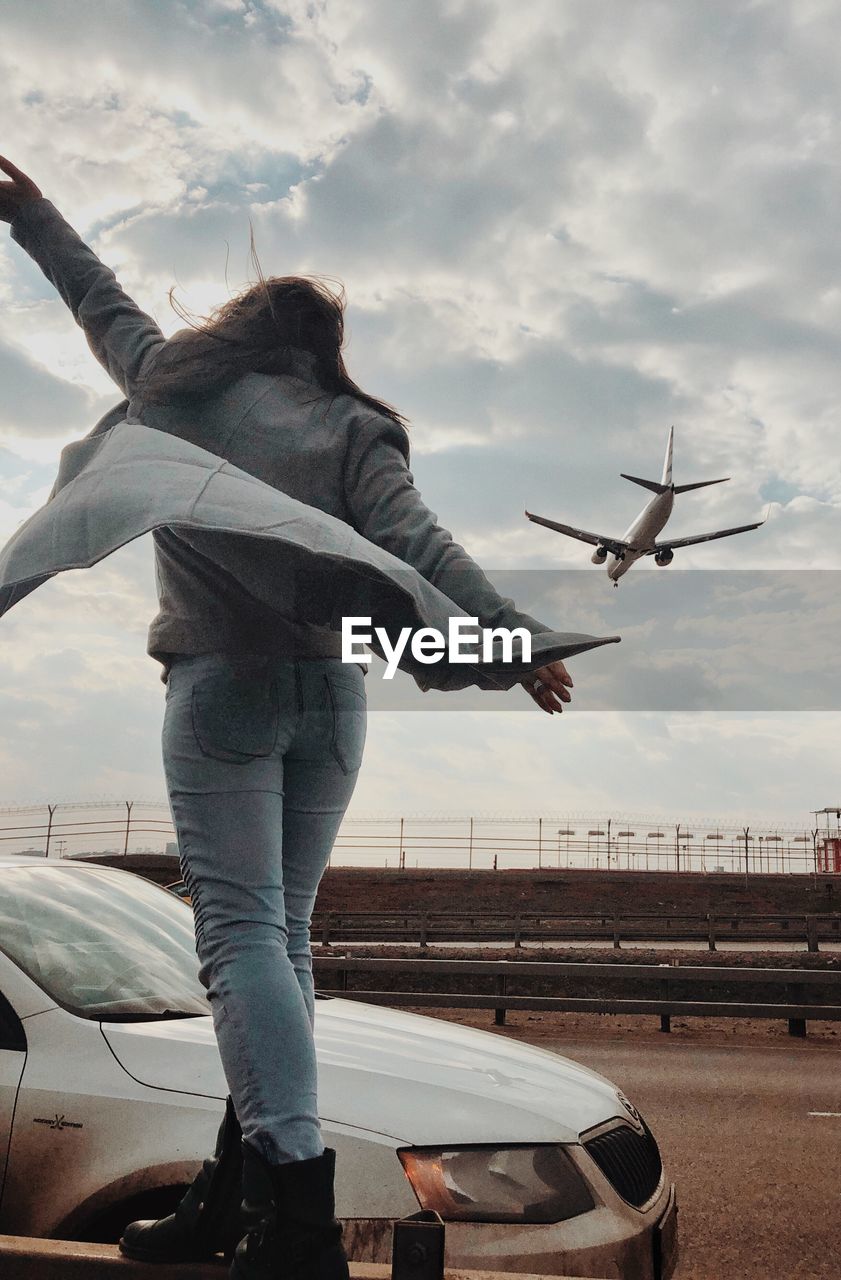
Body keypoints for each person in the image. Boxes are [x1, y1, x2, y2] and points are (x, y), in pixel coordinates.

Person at [1, 157, 580, 1280]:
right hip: (335, 698)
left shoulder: (177, 384)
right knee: (280, 944)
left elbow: (97, 296)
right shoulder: (350, 427)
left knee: (240, 939)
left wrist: (26, 211)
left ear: (239, 331)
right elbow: (424, 547)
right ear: (323, 352)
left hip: (224, 688)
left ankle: (297, 1217)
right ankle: (236, 1188)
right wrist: (513, 643)